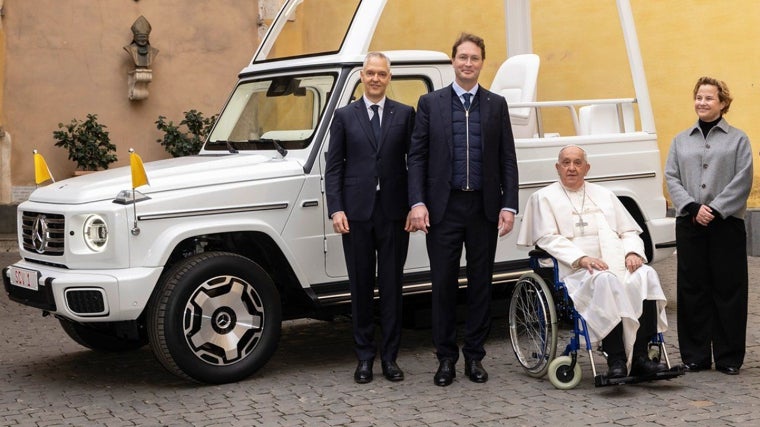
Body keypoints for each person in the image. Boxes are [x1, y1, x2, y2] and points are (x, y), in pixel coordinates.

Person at [407, 33, 519, 386]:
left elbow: (508, 159)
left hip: (484, 208)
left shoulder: (496, 105)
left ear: (482, 62)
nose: (467, 63)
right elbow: (417, 158)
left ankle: (475, 356)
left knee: (481, 285)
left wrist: (509, 204)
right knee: (442, 285)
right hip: (444, 209)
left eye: (474, 58)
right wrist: (418, 201)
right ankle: (445, 359)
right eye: (462, 57)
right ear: (453, 62)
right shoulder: (430, 104)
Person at [517, 145, 669, 379]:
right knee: (605, 281)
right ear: (557, 167)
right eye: (566, 163)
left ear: (586, 168)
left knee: (645, 275)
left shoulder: (604, 195)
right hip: (576, 271)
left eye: (577, 163)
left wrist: (632, 253)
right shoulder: (543, 198)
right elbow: (547, 237)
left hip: (615, 262)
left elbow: (629, 230)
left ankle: (640, 357)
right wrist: (581, 258)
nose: (571, 168)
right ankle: (616, 359)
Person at [325, 51, 415, 384]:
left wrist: (414, 204)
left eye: (382, 73)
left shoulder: (405, 114)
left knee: (392, 287)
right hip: (356, 214)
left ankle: (390, 358)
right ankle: (364, 358)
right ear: (361, 76)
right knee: (361, 288)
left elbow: (414, 164)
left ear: (389, 78)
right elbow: (334, 166)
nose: (376, 78)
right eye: (370, 73)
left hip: (394, 214)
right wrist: (336, 208)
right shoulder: (344, 116)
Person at [665, 76, 753, 376]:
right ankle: (695, 356)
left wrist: (714, 209)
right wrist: (691, 207)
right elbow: (671, 176)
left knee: (729, 289)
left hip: (726, 224)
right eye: (698, 97)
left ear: (723, 103)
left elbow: (743, 179)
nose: (702, 102)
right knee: (692, 290)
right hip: (689, 223)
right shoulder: (680, 140)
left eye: (709, 98)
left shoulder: (738, 139)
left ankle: (729, 357)